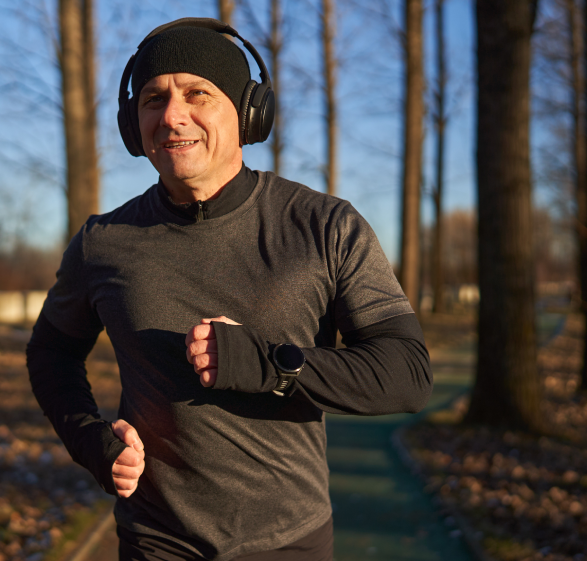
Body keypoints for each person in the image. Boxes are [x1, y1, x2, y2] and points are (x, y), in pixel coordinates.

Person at [27, 17, 433, 561]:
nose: (172, 116)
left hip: (289, 544)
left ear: (247, 112)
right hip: (155, 544)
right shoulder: (103, 242)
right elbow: (51, 353)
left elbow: (406, 374)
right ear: (133, 123)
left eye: (198, 93)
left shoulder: (326, 225)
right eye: (153, 98)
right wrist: (89, 440)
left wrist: (273, 365)